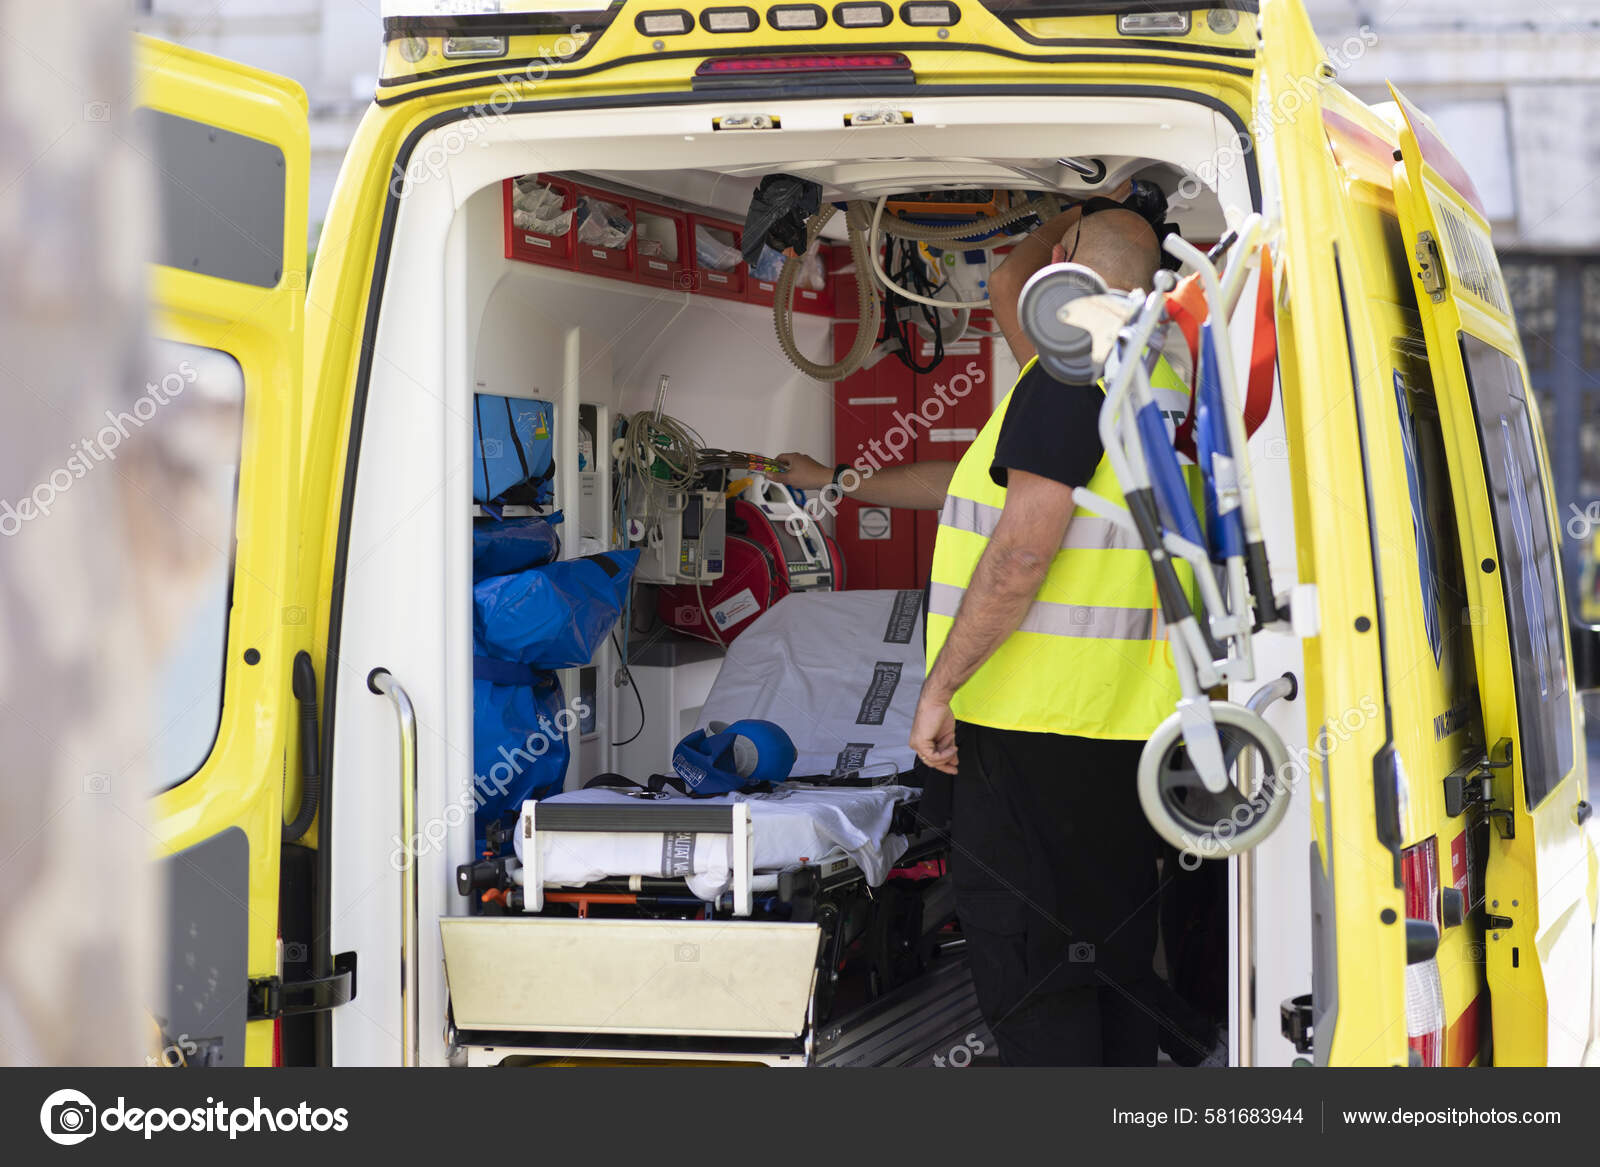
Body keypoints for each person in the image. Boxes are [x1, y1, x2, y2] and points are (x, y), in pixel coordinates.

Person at [907, 204, 1203, 1066]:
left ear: (1064, 261)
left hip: (1032, 727)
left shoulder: (1070, 369)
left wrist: (939, 686)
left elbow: (1021, 552)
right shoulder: (1162, 376)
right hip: (1124, 731)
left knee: (1032, 974)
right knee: (1105, 961)